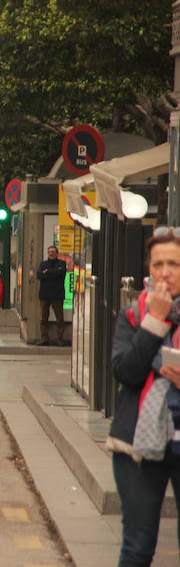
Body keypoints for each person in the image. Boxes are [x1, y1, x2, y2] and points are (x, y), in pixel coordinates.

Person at [108, 226, 180, 564]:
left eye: (175, 264)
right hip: (137, 443)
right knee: (137, 545)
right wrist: (155, 322)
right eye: (157, 264)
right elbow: (126, 372)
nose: (165, 272)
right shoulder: (133, 315)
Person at [37, 245, 68, 346]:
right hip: (44, 295)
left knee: (60, 319)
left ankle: (59, 338)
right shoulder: (43, 263)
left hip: (57, 295)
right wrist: (52, 274)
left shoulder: (62, 263)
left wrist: (48, 272)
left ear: (57, 253)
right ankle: (44, 338)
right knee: (43, 318)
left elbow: (60, 273)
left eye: (53, 251)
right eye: (49, 251)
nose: (51, 253)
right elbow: (39, 275)